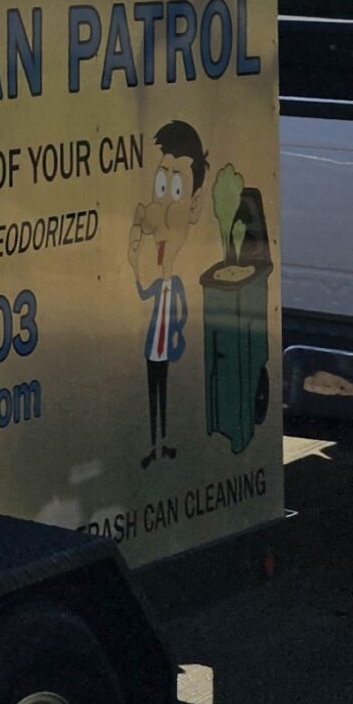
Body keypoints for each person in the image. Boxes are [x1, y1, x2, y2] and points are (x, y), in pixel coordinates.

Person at [129, 120, 207, 467]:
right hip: (151, 347)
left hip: (166, 345)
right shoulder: (157, 273)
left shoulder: (175, 282)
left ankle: (166, 441)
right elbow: (144, 292)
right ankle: (154, 444)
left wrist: (177, 334)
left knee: (167, 392)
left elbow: (184, 310)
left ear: (194, 205)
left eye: (174, 191)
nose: (160, 205)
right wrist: (134, 262)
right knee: (152, 391)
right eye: (160, 187)